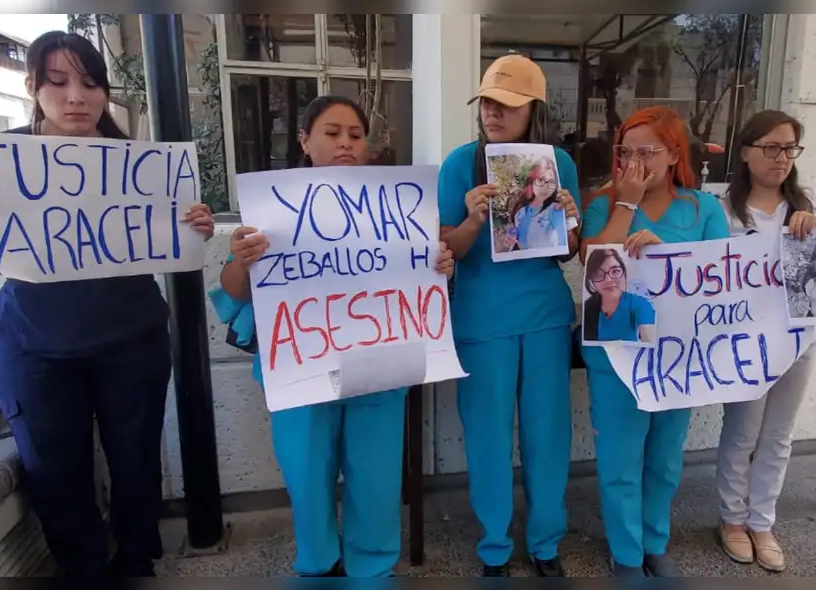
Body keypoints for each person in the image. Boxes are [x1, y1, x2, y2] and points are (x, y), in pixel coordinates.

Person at [0, 31, 215, 577]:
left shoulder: (140, 165)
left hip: (130, 337)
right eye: (59, 82)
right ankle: (82, 570)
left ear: (105, 92)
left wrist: (196, 225)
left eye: (90, 84)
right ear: (32, 86)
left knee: (136, 460)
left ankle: (136, 561)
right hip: (32, 341)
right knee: (53, 469)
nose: (76, 97)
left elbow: (173, 234)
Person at [211, 95, 456, 578]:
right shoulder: (272, 208)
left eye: (355, 135)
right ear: (304, 141)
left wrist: (439, 266)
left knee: (377, 482)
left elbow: (419, 280)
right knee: (307, 480)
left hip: (379, 369)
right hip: (301, 372)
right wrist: (241, 260)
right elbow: (234, 290)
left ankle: (372, 572)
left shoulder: (398, 208)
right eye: (332, 132)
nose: (346, 143)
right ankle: (318, 566)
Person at [438, 53, 581, 578]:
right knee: (487, 437)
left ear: (534, 110)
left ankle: (545, 542)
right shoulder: (460, 164)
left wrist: (569, 223)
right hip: (481, 320)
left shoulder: (558, 164)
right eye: (487, 103)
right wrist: (473, 221)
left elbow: (567, 252)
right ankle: (494, 547)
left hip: (545, 316)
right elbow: (446, 250)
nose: (493, 113)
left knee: (548, 435)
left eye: (508, 105)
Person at [578, 105, 730, 578]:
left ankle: (654, 541)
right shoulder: (603, 204)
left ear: (674, 155)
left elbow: (720, 276)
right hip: (616, 353)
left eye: (647, 152)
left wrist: (668, 256)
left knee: (664, 457)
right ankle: (626, 553)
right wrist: (626, 205)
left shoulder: (703, 208)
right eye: (626, 152)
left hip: (678, 356)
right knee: (620, 457)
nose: (634, 161)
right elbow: (590, 260)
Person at [715, 109, 816, 572]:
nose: (781, 158)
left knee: (779, 434)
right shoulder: (725, 209)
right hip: (746, 341)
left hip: (801, 336)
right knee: (742, 431)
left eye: (789, 148)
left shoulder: (812, 200)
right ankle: (732, 520)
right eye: (770, 147)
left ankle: (762, 522)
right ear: (745, 152)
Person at [581, 248, 656, 344]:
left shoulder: (640, 304)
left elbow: (650, 344)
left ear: (623, 272)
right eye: (598, 274)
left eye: (615, 271)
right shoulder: (589, 306)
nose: (608, 280)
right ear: (591, 280)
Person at [508, 156, 566, 250]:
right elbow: (516, 236)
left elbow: (563, 242)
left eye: (551, 182)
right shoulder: (522, 212)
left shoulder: (557, 208)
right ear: (532, 180)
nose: (545, 186)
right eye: (540, 180)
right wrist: (510, 237)